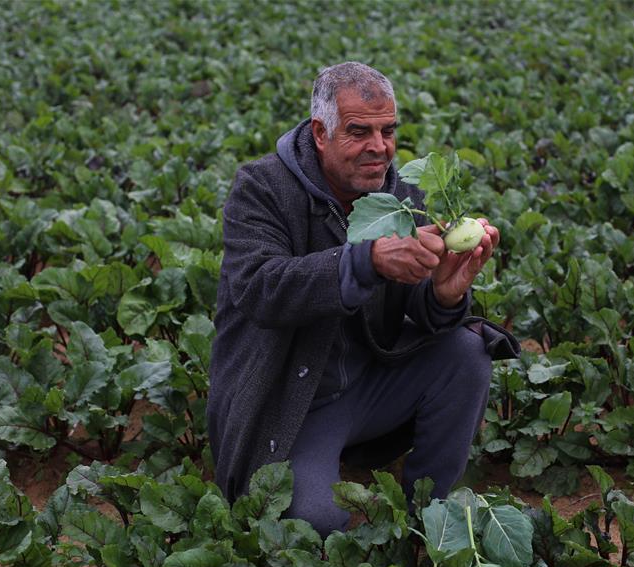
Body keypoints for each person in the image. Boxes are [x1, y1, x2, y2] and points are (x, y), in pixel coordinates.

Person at [208, 62, 519, 537]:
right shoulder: (262, 189)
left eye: (388, 130)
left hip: (371, 388)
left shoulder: (402, 194)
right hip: (295, 401)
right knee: (315, 526)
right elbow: (260, 288)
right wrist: (364, 262)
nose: (379, 147)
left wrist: (443, 295)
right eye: (359, 132)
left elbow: (418, 309)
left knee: (468, 352)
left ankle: (429, 518)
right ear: (320, 132)